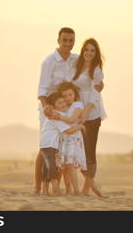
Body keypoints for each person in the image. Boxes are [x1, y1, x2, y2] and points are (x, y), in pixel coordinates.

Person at [35, 27, 103, 194]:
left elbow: (91, 69)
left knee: (62, 148)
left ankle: (60, 186)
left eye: (71, 41)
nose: (67, 43)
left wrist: (100, 82)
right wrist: (46, 106)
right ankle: (38, 186)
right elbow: (42, 89)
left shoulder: (76, 59)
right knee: (47, 146)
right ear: (58, 40)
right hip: (50, 109)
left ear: (74, 42)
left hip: (68, 109)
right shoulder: (49, 61)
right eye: (64, 40)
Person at [67, 38, 107, 197]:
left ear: (96, 53)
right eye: (87, 50)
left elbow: (95, 94)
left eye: (92, 50)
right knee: (80, 151)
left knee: (90, 151)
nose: (89, 53)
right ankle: (93, 187)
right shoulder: (75, 66)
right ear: (82, 51)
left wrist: (85, 112)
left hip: (91, 113)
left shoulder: (96, 70)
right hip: (78, 112)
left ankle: (85, 190)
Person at [40, 92, 85, 196]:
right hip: (50, 144)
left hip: (47, 144)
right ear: (54, 106)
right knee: (52, 168)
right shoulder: (54, 115)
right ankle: (57, 191)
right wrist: (80, 127)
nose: (63, 104)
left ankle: (45, 191)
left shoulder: (57, 114)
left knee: (47, 167)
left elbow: (68, 120)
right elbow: (68, 131)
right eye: (59, 103)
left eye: (63, 101)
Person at [55, 81, 87, 195]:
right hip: (64, 138)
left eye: (70, 95)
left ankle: (76, 190)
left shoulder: (77, 105)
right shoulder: (62, 106)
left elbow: (73, 119)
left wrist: (58, 117)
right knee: (64, 165)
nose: (68, 98)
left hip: (74, 138)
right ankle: (68, 189)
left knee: (71, 164)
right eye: (65, 96)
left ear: (74, 94)